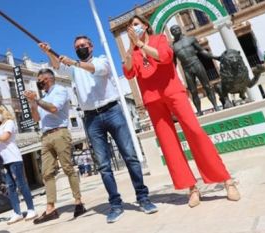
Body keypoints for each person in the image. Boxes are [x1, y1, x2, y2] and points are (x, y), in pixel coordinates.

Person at [122, 15, 240, 208]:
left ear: (145, 26)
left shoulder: (159, 39)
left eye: (135, 24)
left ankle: (226, 180)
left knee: (195, 132)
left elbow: (165, 57)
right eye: (129, 26)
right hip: (152, 99)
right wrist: (130, 47)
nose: (132, 28)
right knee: (168, 144)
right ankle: (191, 188)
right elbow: (129, 72)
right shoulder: (133, 50)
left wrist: (141, 45)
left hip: (172, 91)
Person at [39, 35, 158, 223]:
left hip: (112, 111)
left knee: (130, 156)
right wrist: (48, 52)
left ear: (91, 47)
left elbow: (97, 70)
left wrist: (75, 63)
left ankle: (143, 198)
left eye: (83, 45)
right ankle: (115, 204)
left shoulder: (101, 60)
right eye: (77, 46)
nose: (80, 48)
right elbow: (57, 66)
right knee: (103, 165)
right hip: (91, 118)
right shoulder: (73, 69)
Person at [24, 68, 87, 224]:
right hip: (45, 136)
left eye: (40, 79)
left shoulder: (60, 90)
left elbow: (53, 108)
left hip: (60, 132)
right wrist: (33, 103)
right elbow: (37, 117)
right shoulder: (43, 97)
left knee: (67, 167)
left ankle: (78, 202)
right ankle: (51, 208)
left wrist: (37, 100)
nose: (38, 82)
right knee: (46, 173)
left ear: (48, 78)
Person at [0, 104, 37, 224]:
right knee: (10, 187)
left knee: (21, 184)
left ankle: (31, 209)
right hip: (3, 160)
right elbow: (0, 147)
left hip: (13, 158)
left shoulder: (10, 123)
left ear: (3, 112)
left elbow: (5, 138)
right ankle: (17, 212)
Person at [170, 25, 221, 115]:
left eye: (177, 28)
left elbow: (202, 51)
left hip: (196, 63)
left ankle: (216, 106)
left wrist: (215, 57)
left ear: (180, 29)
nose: (175, 30)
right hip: (186, 68)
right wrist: (170, 75)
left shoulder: (191, 39)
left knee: (207, 86)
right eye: (173, 30)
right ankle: (199, 111)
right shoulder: (173, 46)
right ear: (171, 33)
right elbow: (174, 63)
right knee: (193, 91)